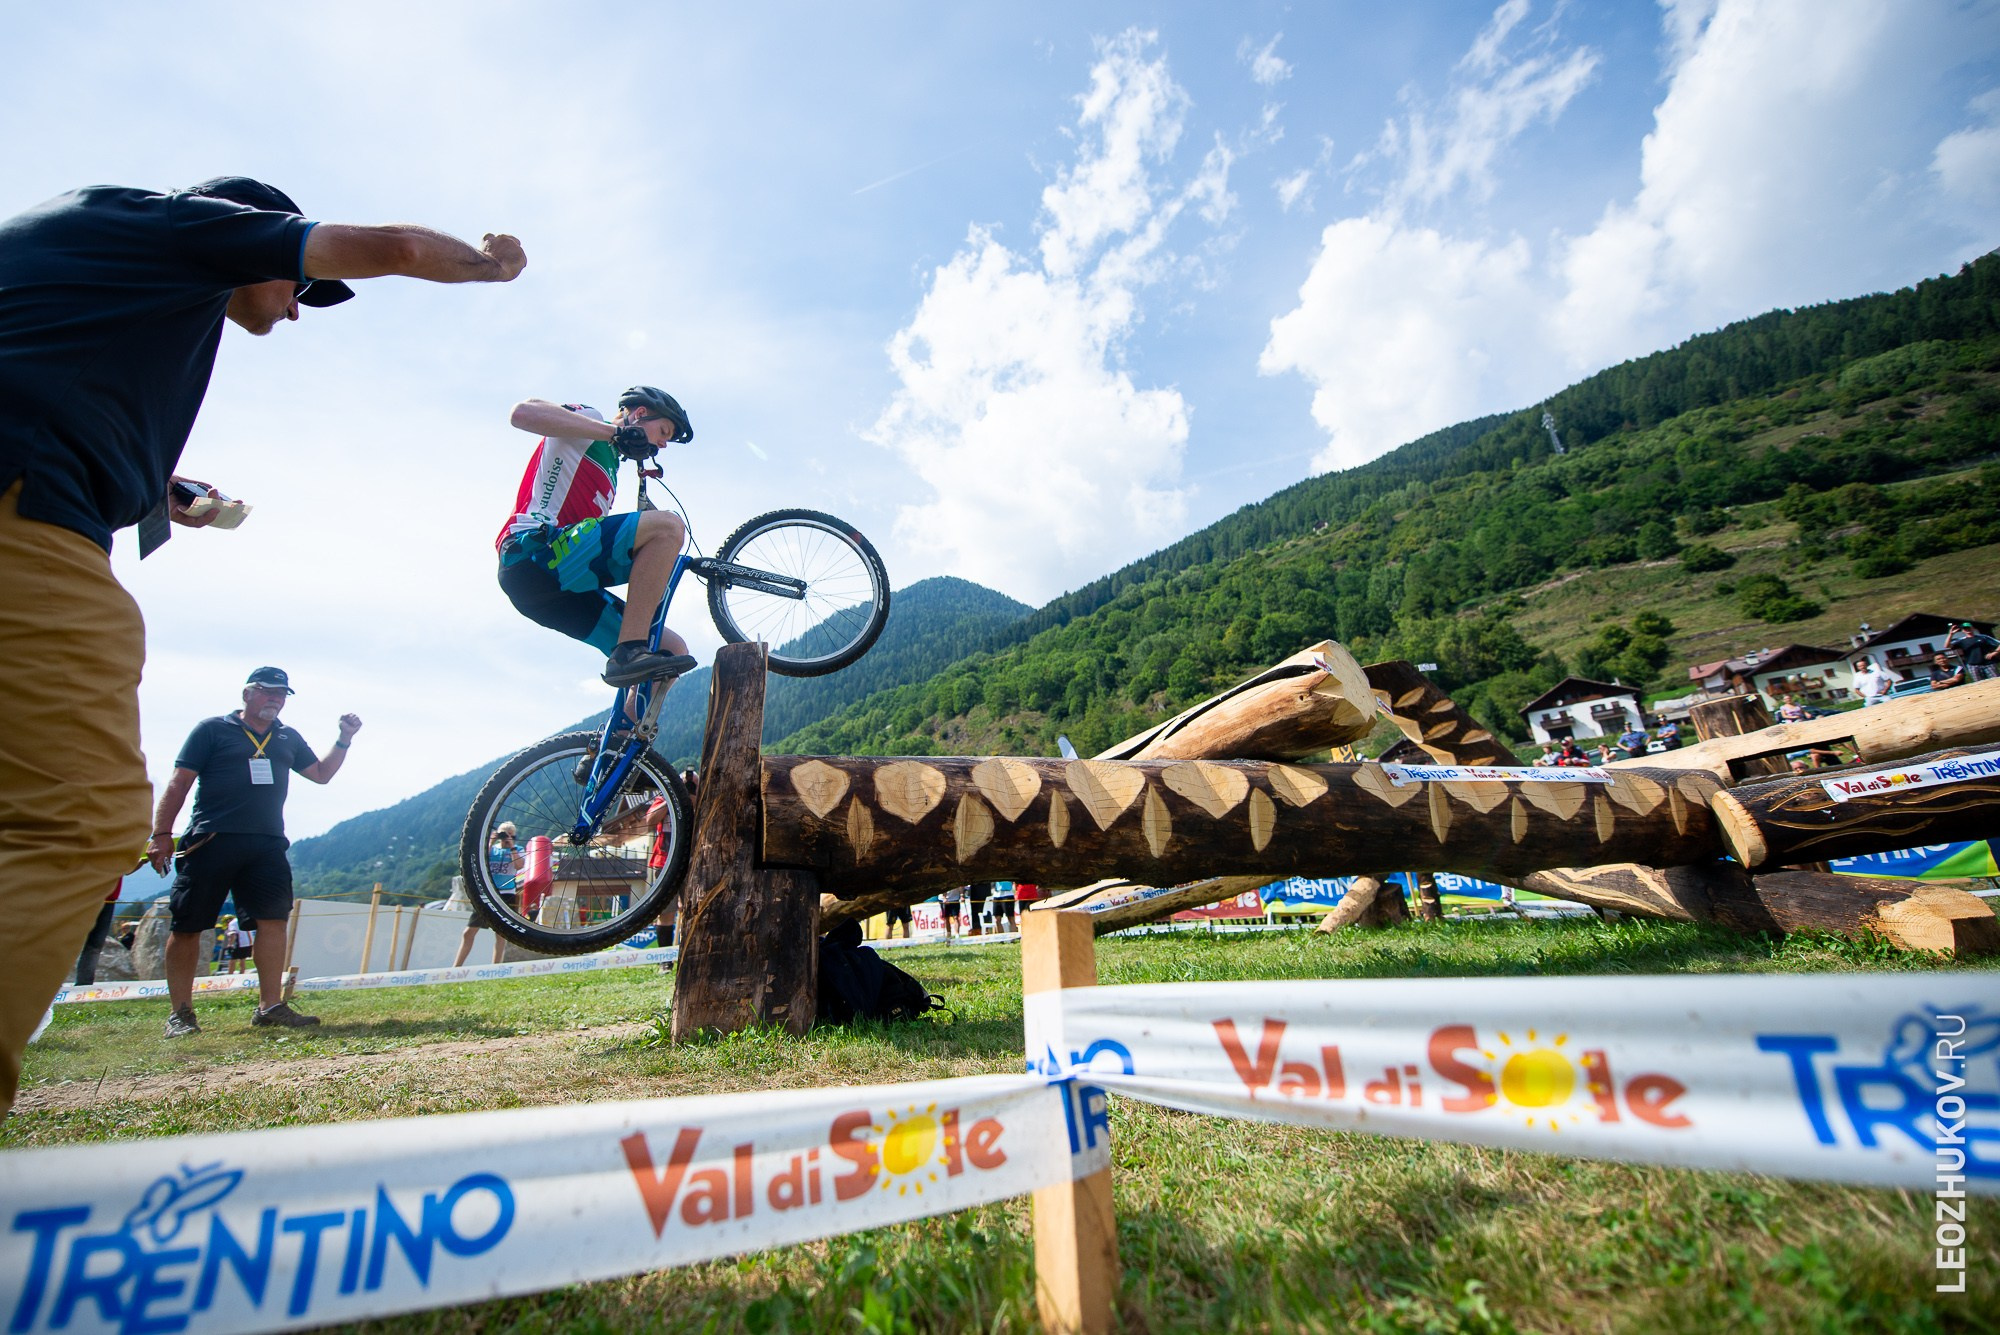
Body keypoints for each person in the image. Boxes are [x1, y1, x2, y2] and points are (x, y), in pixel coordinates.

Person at [0, 176, 523, 1114]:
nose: (294, 310)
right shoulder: (187, 228)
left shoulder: (96, 253)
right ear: (256, 240)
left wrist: (167, 493)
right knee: (79, 823)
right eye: (294, 289)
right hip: (29, 527)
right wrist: (486, 266)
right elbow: (393, 247)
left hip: (39, 486)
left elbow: (45, 382)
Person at [147, 667, 361, 1036]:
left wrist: (344, 738)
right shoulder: (212, 729)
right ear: (248, 693)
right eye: (267, 691)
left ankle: (270, 1006)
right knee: (188, 925)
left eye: (282, 694)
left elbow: (322, 774)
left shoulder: (286, 737)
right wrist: (161, 833)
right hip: (211, 838)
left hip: (266, 843)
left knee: (273, 921)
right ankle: (181, 1014)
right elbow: (179, 782)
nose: (275, 698)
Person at [495, 390, 699, 687]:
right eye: (664, 432)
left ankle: (628, 732)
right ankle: (629, 651)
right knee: (668, 527)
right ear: (640, 414)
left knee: (670, 649)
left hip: (559, 585)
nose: (662, 444)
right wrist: (615, 432)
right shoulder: (590, 421)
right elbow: (522, 413)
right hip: (532, 552)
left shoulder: (612, 469)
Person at [455, 822, 524, 966]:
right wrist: (490, 841)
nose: (506, 836)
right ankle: (457, 967)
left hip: (507, 894)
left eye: (510, 834)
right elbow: (479, 859)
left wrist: (511, 846)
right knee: (469, 932)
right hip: (488, 892)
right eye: (503, 833)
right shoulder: (492, 849)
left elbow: (519, 866)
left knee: (501, 934)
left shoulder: (517, 849)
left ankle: (495, 967)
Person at [72, 885, 121, 986]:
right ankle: (53, 981)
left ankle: (84, 985)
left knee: (95, 945)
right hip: (84, 895)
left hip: (108, 899)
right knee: (68, 940)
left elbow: (128, 870)